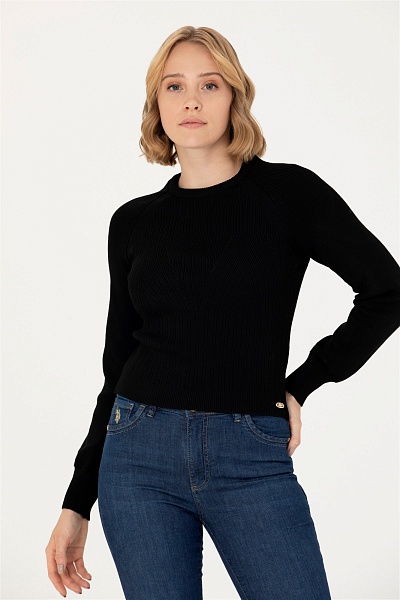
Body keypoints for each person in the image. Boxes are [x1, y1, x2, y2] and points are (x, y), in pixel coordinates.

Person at [45, 25, 400, 599]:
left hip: (250, 454)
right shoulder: (133, 222)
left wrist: (303, 384)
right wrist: (76, 502)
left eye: (209, 84)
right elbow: (117, 366)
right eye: (174, 86)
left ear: (235, 95)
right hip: (136, 456)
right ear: (156, 104)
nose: (191, 100)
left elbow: (388, 292)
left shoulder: (290, 195)